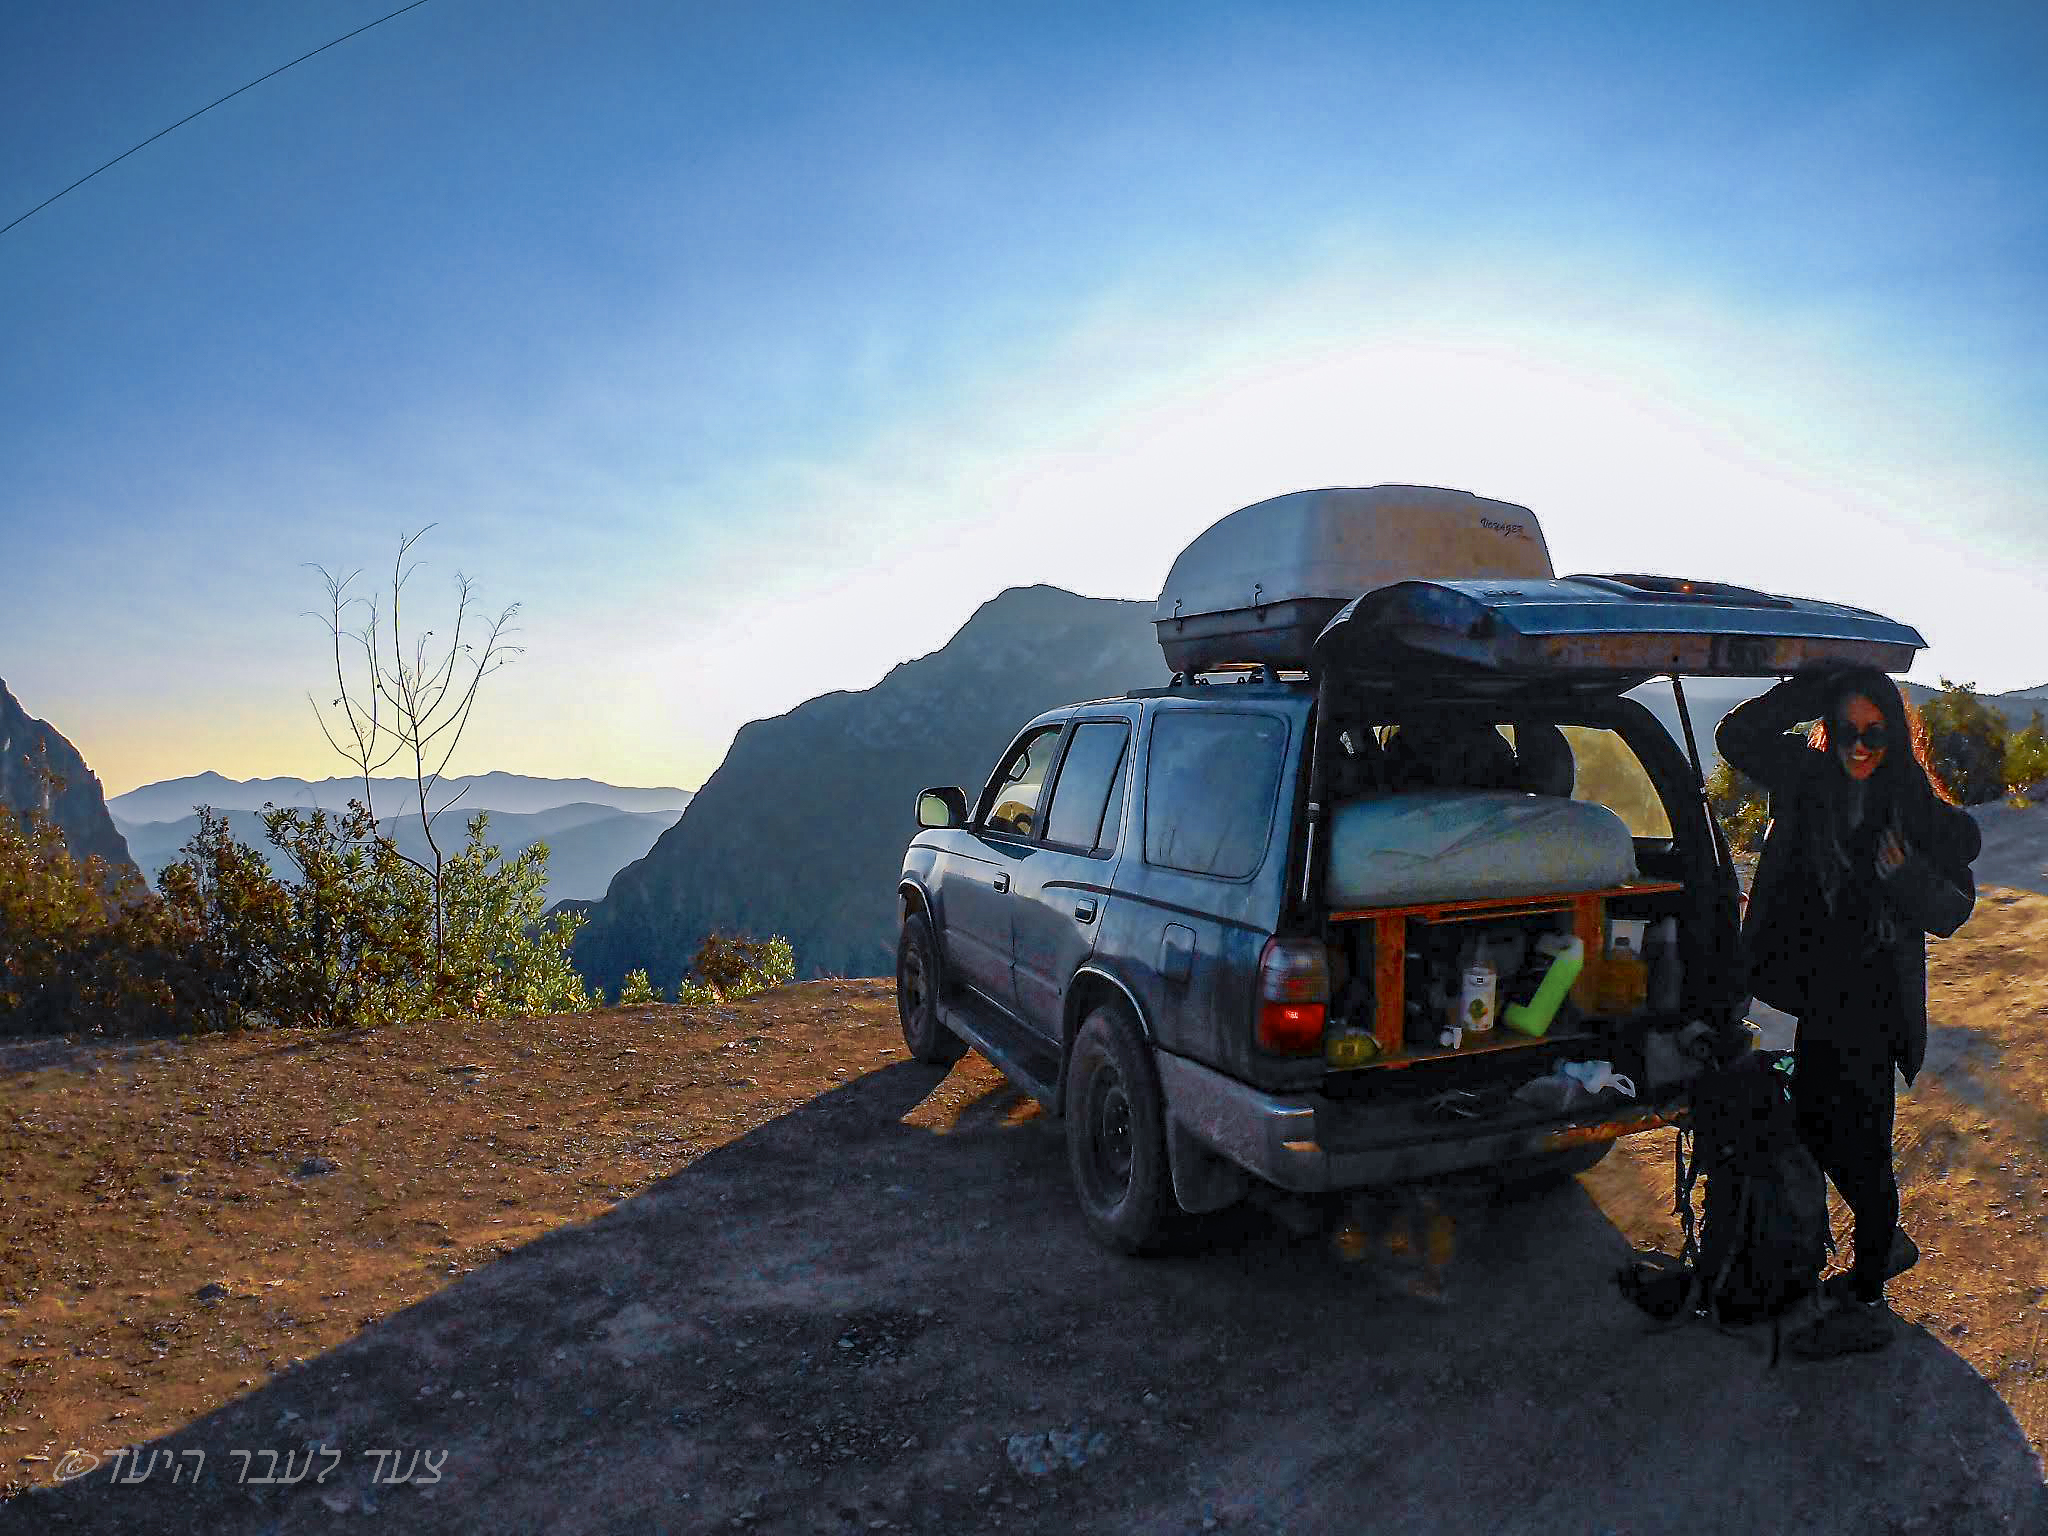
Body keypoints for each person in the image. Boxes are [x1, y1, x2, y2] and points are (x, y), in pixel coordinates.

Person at [1717, 666, 1981, 1359]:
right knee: (1812, 1121)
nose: (1859, 747)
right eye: (1845, 731)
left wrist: (1907, 877)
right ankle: (1881, 1245)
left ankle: (1867, 1301)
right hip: (1820, 992)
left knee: (1863, 1148)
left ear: (1895, 735)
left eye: (1874, 733)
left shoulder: (1915, 806)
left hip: (1876, 1001)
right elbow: (1735, 736)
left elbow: (1954, 906)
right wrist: (1818, 688)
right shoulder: (1807, 779)